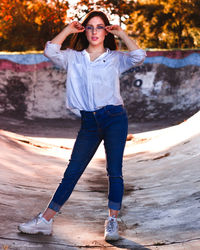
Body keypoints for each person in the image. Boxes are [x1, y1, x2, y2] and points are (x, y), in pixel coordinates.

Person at [18, 10, 146, 241]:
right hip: (89, 122)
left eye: (100, 27)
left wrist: (122, 33)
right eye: (90, 27)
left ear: (106, 31)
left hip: (115, 118)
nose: (95, 32)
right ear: (84, 30)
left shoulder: (115, 58)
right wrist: (68, 29)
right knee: (72, 172)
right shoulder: (73, 57)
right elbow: (50, 50)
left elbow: (138, 56)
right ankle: (45, 221)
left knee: (114, 172)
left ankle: (112, 222)